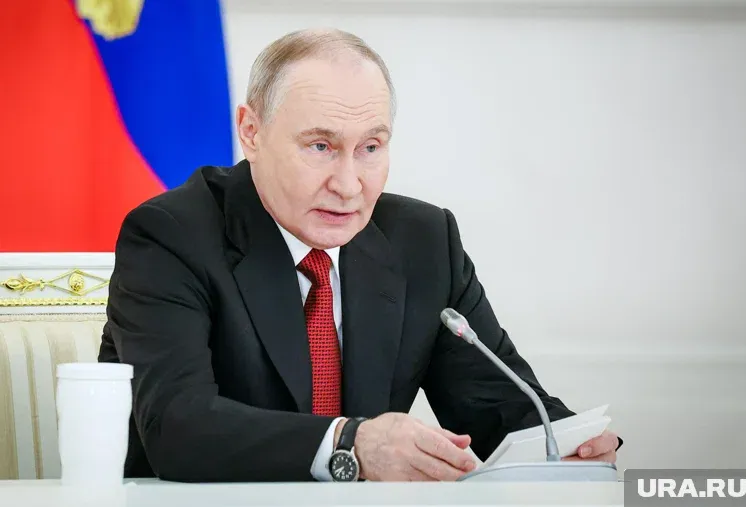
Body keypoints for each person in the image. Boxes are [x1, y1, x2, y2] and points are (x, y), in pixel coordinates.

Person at [99, 28, 621, 483]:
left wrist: (567, 442)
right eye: (320, 146)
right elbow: (177, 426)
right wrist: (349, 444)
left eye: (370, 148)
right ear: (251, 132)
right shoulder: (171, 235)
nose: (349, 186)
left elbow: (497, 406)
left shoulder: (424, 240)